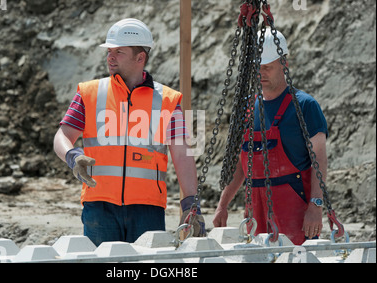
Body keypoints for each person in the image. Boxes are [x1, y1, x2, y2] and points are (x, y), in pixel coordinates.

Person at [54, 18, 205, 246]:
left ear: (140, 58)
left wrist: (191, 204)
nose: (110, 57)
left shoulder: (167, 100)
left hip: (148, 209)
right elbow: (63, 136)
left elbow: (182, 153)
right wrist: (72, 156)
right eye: (109, 51)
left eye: (119, 52)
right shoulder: (90, 93)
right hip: (99, 206)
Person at [213, 28, 329, 245]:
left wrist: (315, 206)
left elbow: (319, 161)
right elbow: (241, 162)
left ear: (284, 64)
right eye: (257, 68)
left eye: (267, 67)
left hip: (294, 209)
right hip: (254, 207)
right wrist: (223, 204)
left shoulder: (305, 106)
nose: (261, 73)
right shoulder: (247, 106)